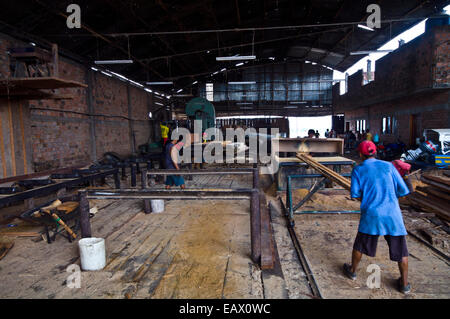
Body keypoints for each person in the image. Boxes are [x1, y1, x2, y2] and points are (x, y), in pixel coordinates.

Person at [343, 140, 411, 294]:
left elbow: (355, 194)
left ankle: (352, 271)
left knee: (360, 244)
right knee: (401, 250)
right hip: (392, 214)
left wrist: (369, 199)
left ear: (360, 154)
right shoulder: (389, 166)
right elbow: (402, 190)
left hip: (372, 214)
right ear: (375, 152)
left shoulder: (358, 170)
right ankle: (404, 285)